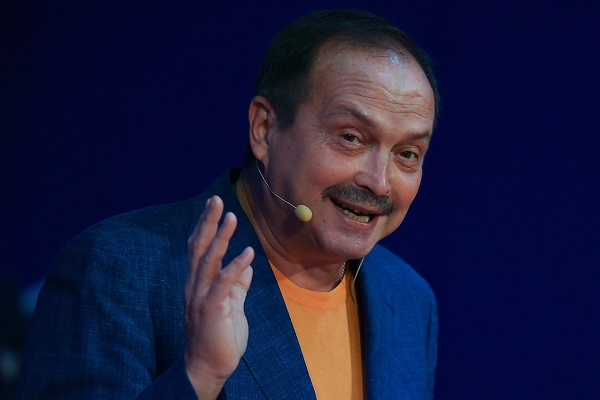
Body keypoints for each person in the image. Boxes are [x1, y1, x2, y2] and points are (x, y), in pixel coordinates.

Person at [18, 9, 439, 400]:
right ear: (264, 129)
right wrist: (199, 376)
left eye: (407, 154)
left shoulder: (406, 299)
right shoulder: (119, 271)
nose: (378, 181)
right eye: (351, 138)